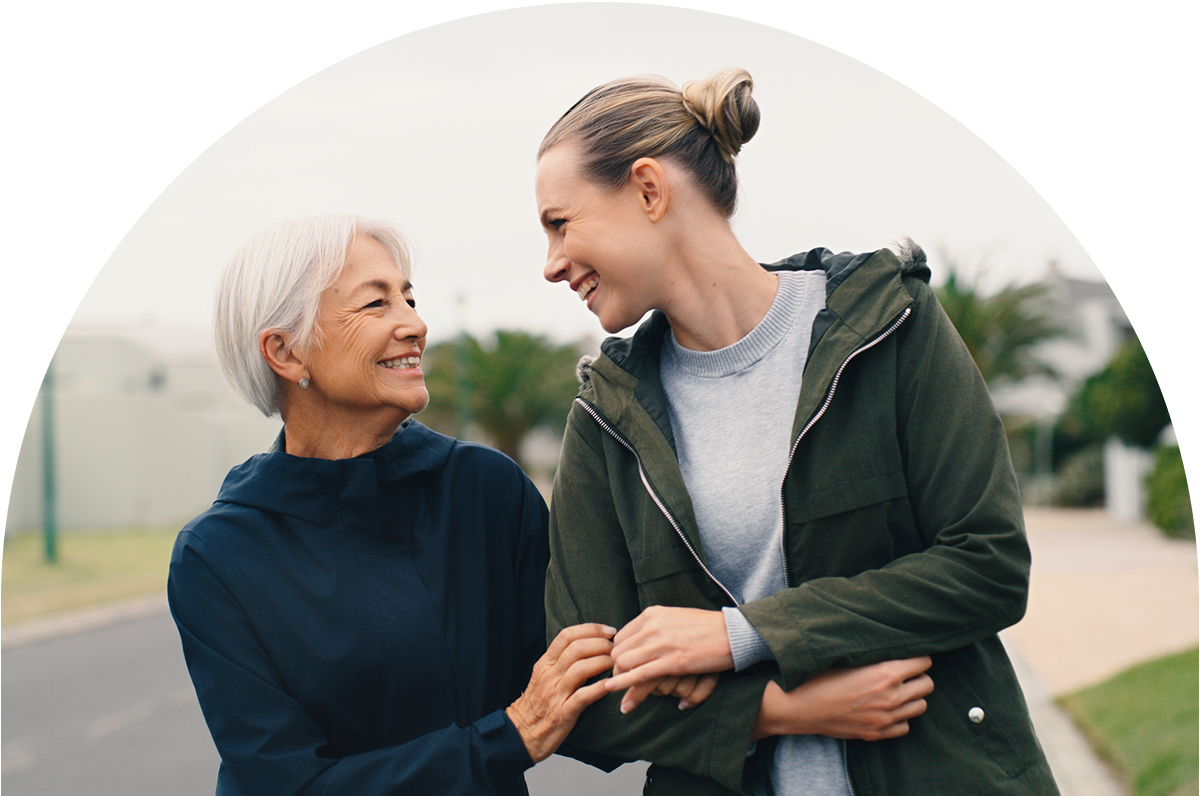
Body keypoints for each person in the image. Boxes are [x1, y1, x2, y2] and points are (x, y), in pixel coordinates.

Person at [535, 70, 1060, 795]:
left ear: (650, 190)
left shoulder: (888, 325)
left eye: (560, 223)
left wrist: (737, 635)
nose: (552, 264)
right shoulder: (604, 418)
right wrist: (776, 711)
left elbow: (988, 565)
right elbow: (586, 697)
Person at [168, 214, 626, 796]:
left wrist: (747, 678)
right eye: (376, 305)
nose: (415, 324)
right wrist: (508, 736)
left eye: (409, 298)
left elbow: (580, 685)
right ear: (285, 352)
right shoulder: (220, 554)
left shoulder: (486, 491)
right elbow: (287, 785)